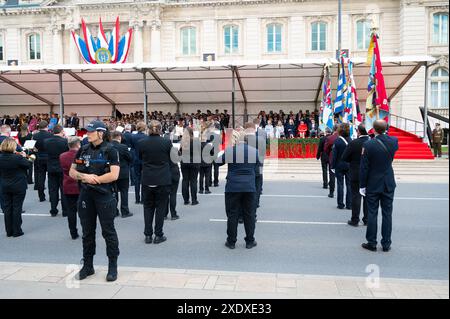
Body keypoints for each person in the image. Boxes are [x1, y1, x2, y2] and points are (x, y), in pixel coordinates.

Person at [69, 120, 120, 282]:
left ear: (101, 133)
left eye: (90, 131)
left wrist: (94, 179)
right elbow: (72, 172)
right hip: (85, 196)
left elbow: (114, 175)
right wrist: (85, 177)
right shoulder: (83, 150)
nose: (87, 134)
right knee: (87, 233)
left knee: (108, 232)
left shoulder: (110, 150)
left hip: (104, 196)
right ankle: (88, 266)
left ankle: (113, 266)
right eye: (87, 131)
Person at [217, 129, 260, 249]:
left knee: (232, 214)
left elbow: (217, 163)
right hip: (249, 187)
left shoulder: (230, 151)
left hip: (233, 186)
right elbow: (257, 166)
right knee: (249, 214)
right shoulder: (254, 151)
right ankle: (250, 241)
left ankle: (231, 241)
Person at [360, 120, 399, 252]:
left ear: (374, 129)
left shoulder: (368, 145)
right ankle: (386, 243)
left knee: (372, 213)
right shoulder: (394, 141)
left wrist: (362, 185)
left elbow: (364, 168)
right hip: (388, 182)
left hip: (373, 183)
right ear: (386, 128)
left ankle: (372, 242)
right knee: (387, 214)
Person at [138, 120, 173, 244]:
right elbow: (171, 159)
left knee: (147, 207)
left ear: (148, 129)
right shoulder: (166, 142)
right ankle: (158, 235)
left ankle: (148, 235)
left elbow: (139, 159)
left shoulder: (141, 143)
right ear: (160, 129)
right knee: (160, 207)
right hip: (162, 178)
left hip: (147, 178)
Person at [0, 138, 29, 237]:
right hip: (18, 185)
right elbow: (28, 165)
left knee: (7, 208)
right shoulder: (17, 158)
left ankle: (9, 231)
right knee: (17, 207)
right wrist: (24, 157)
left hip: (4, 184)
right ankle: (17, 230)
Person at [342, 124, 370, 226]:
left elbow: (344, 157)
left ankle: (355, 219)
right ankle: (367, 219)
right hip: (369, 173)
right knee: (367, 197)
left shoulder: (354, 143)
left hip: (356, 172)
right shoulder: (371, 142)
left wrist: (353, 161)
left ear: (358, 132)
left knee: (356, 196)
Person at [60, 136, 81, 239]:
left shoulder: (62, 156)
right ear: (78, 144)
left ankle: (73, 232)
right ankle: (86, 230)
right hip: (80, 185)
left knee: (71, 211)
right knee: (84, 211)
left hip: (68, 184)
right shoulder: (80, 156)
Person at [45, 125, 69, 217]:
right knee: (63, 189)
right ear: (62, 131)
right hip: (62, 167)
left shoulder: (46, 141)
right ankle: (65, 210)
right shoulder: (64, 141)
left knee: (52, 190)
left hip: (51, 167)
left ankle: (53, 209)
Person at [110, 131, 133, 218]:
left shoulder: (108, 146)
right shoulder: (123, 147)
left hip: (112, 172)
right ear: (119, 137)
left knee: (114, 192)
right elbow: (130, 158)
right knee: (124, 191)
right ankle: (125, 211)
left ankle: (115, 211)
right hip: (123, 171)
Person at [331, 123, 352, 210]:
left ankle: (340, 204)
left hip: (339, 165)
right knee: (349, 185)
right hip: (349, 165)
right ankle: (349, 204)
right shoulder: (351, 140)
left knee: (340, 184)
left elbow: (334, 155)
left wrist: (332, 166)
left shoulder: (337, 141)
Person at [33, 120, 54, 202]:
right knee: (50, 178)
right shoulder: (50, 135)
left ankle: (41, 196)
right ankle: (52, 196)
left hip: (39, 157)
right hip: (49, 157)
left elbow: (34, 147)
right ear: (47, 126)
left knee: (41, 177)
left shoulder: (35, 136)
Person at [179, 127, 200, 206]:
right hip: (194, 162)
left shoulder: (182, 141)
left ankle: (186, 200)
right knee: (193, 181)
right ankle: (194, 200)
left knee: (185, 180)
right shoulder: (196, 140)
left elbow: (179, 152)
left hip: (184, 161)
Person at [130, 122, 147, 204]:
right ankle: (143, 199)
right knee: (144, 179)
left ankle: (137, 199)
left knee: (137, 179)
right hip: (144, 160)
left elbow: (132, 149)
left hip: (136, 159)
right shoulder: (146, 137)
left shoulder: (133, 136)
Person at [166, 156, 180, 221]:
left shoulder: (161, 149)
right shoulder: (172, 150)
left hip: (165, 172)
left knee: (165, 195)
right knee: (173, 194)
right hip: (174, 171)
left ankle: (164, 214)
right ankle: (173, 214)